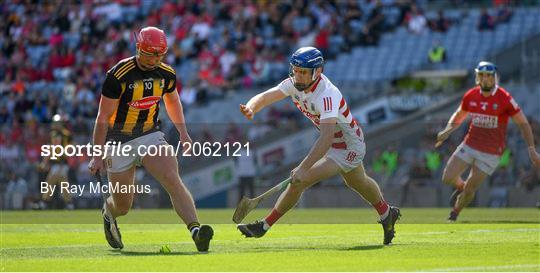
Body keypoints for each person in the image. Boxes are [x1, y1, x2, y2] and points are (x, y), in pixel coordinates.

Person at [237, 47, 401, 245]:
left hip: (348, 146)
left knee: (300, 180)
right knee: (358, 182)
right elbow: (264, 97)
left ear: (318, 72)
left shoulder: (327, 95)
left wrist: (303, 168)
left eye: (304, 72)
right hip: (333, 143)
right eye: (296, 70)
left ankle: (264, 226)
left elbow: (325, 138)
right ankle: (387, 213)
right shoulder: (294, 84)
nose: (298, 75)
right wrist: (251, 108)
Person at [88, 26, 213, 251]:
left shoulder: (166, 73)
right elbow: (103, 116)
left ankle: (196, 231)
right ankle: (109, 212)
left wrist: (184, 134)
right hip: (119, 140)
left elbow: (173, 102)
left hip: (149, 134)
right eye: (150, 53)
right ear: (138, 48)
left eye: (159, 54)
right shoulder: (118, 75)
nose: (155, 59)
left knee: (172, 178)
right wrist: (97, 156)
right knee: (123, 206)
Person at [435, 61, 540, 221]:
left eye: (488, 76)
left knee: (471, 188)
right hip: (469, 145)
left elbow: (523, 123)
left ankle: (455, 213)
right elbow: (458, 115)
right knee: (447, 177)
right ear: (477, 77)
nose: (485, 79)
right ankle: (461, 187)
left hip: (491, 152)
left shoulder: (504, 98)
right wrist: (447, 130)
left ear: (494, 78)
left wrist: (531, 148)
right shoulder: (471, 95)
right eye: (481, 75)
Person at [38, 114, 74, 210]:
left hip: (62, 163)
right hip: (56, 163)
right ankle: (69, 203)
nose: (55, 125)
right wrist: (45, 162)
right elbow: (50, 149)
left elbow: (70, 149)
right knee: (60, 181)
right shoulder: (54, 134)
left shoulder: (65, 135)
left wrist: (45, 162)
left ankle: (45, 201)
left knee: (52, 180)